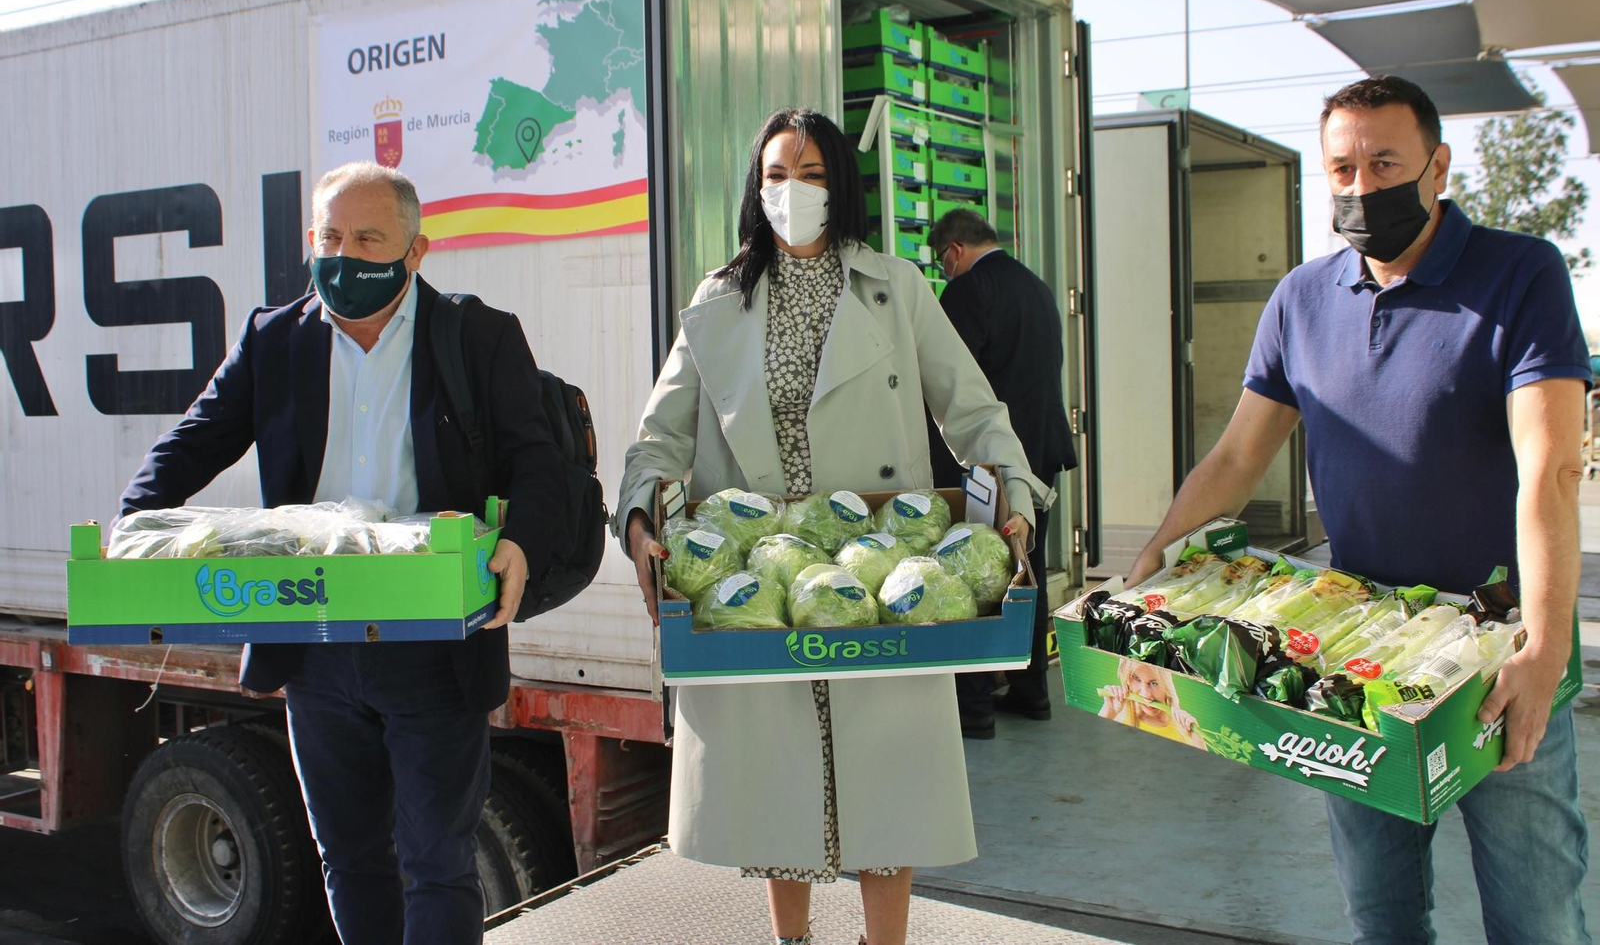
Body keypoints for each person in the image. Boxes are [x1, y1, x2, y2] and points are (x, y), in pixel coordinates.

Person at [1126, 76, 1591, 944]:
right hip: (1357, 658)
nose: (1360, 187)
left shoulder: (1520, 274)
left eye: (1384, 162)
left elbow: (1552, 469)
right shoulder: (1302, 299)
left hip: (1498, 653)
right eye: (1341, 167)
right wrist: (1154, 559)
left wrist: (1547, 645)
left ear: (1438, 166)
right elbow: (1236, 455)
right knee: (1380, 918)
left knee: (1538, 917)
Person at [614, 108, 1051, 945]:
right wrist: (640, 518)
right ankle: (794, 939)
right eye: (777, 174)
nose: (793, 192)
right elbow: (659, 438)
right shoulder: (717, 300)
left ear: (842, 184)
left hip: (884, 568)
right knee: (780, 783)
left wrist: (1015, 498)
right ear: (756, 186)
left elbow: (974, 412)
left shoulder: (895, 287)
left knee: (888, 782)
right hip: (757, 567)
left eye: (813, 175)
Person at [119, 161, 567, 945]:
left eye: (368, 239)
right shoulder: (273, 339)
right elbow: (194, 441)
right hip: (315, 641)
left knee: (437, 860)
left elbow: (538, 461)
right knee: (349, 857)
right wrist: (134, 524)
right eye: (330, 237)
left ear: (416, 250)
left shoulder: (477, 336)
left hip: (434, 639)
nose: (345, 256)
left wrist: (522, 542)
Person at [926, 208, 1077, 739]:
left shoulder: (966, 294)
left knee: (976, 576)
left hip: (987, 464)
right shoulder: (1037, 287)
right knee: (1024, 573)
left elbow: (951, 388)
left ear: (953, 253)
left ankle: (973, 708)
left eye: (942, 265)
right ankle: (1032, 690)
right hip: (1041, 456)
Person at [1098, 658, 1206, 749]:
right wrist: (1109, 712)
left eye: (1154, 683)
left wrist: (1198, 743)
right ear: (1127, 679)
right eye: (1136, 678)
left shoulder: (1185, 728)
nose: (1146, 694)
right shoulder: (1120, 716)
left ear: (1167, 684)